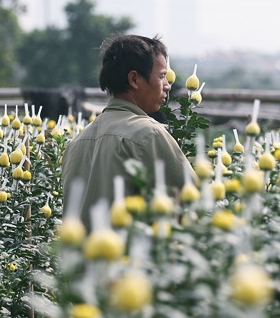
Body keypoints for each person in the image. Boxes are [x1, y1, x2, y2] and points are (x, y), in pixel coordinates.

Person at [61, 34, 196, 229]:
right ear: (134, 79)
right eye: (161, 76)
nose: (167, 86)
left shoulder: (77, 142)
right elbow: (192, 203)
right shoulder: (148, 134)